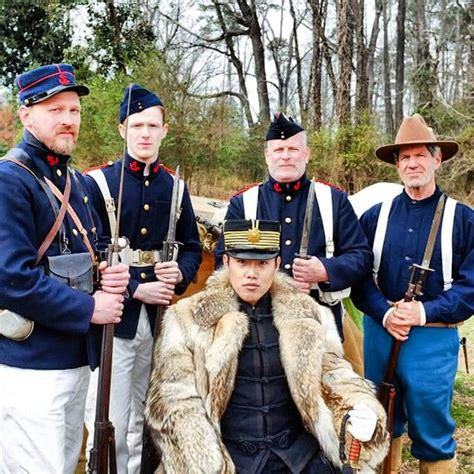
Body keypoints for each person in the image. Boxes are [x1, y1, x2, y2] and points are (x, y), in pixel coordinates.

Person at [145, 219, 389, 473]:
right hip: (228, 459)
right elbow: (174, 400)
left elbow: (335, 375)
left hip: (300, 457)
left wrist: (358, 408)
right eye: (242, 262)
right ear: (227, 262)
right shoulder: (188, 318)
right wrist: (206, 462)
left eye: (262, 263)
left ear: (276, 263)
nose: (252, 274)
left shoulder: (309, 314)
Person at [0, 63, 129, 473]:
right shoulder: (9, 181)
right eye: (55, 110)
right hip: (32, 366)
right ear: (26, 115)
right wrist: (90, 309)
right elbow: (11, 278)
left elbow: (93, 251)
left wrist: (110, 275)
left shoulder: (81, 183)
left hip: (77, 359)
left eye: (73, 111)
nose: (69, 120)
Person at [84, 84, 202, 473]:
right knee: (110, 416)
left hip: (159, 323)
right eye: (137, 126)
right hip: (114, 322)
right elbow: (88, 254)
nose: (145, 133)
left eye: (153, 125)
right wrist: (137, 287)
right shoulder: (97, 184)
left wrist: (180, 272)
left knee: (150, 417)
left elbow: (191, 247)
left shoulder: (176, 187)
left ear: (165, 130)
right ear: (123, 130)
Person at [351, 114, 474, 473]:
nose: (412, 163)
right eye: (405, 157)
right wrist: (386, 313)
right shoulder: (374, 216)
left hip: (432, 340)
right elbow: (359, 278)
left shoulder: (464, 220)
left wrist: (421, 312)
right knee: (379, 422)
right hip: (379, 331)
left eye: (421, 155)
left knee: (432, 434)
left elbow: (471, 287)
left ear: (438, 160)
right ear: (397, 165)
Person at [216, 113, 372, 338]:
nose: (286, 156)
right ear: (267, 156)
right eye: (279, 150)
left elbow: (361, 256)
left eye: (293, 149)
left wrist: (325, 270)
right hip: (258, 324)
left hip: (319, 320)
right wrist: (272, 286)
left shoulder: (334, 200)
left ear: (306, 154)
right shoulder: (243, 203)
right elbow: (224, 265)